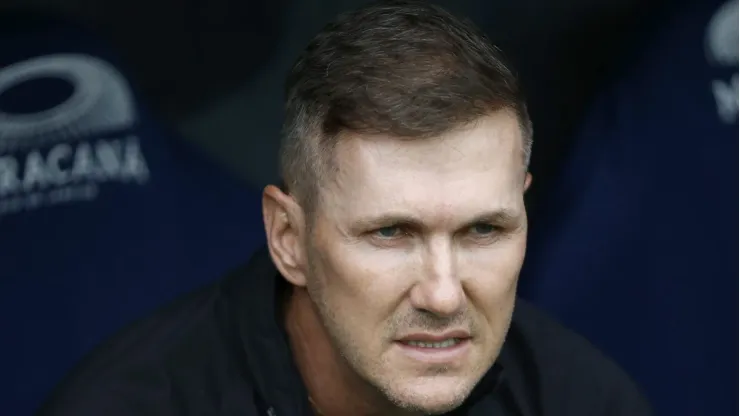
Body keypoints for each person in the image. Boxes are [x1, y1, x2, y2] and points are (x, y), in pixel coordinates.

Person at [38, 1, 652, 415]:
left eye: (484, 229)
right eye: (390, 232)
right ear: (287, 239)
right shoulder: (127, 403)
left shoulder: (583, 400)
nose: (442, 295)